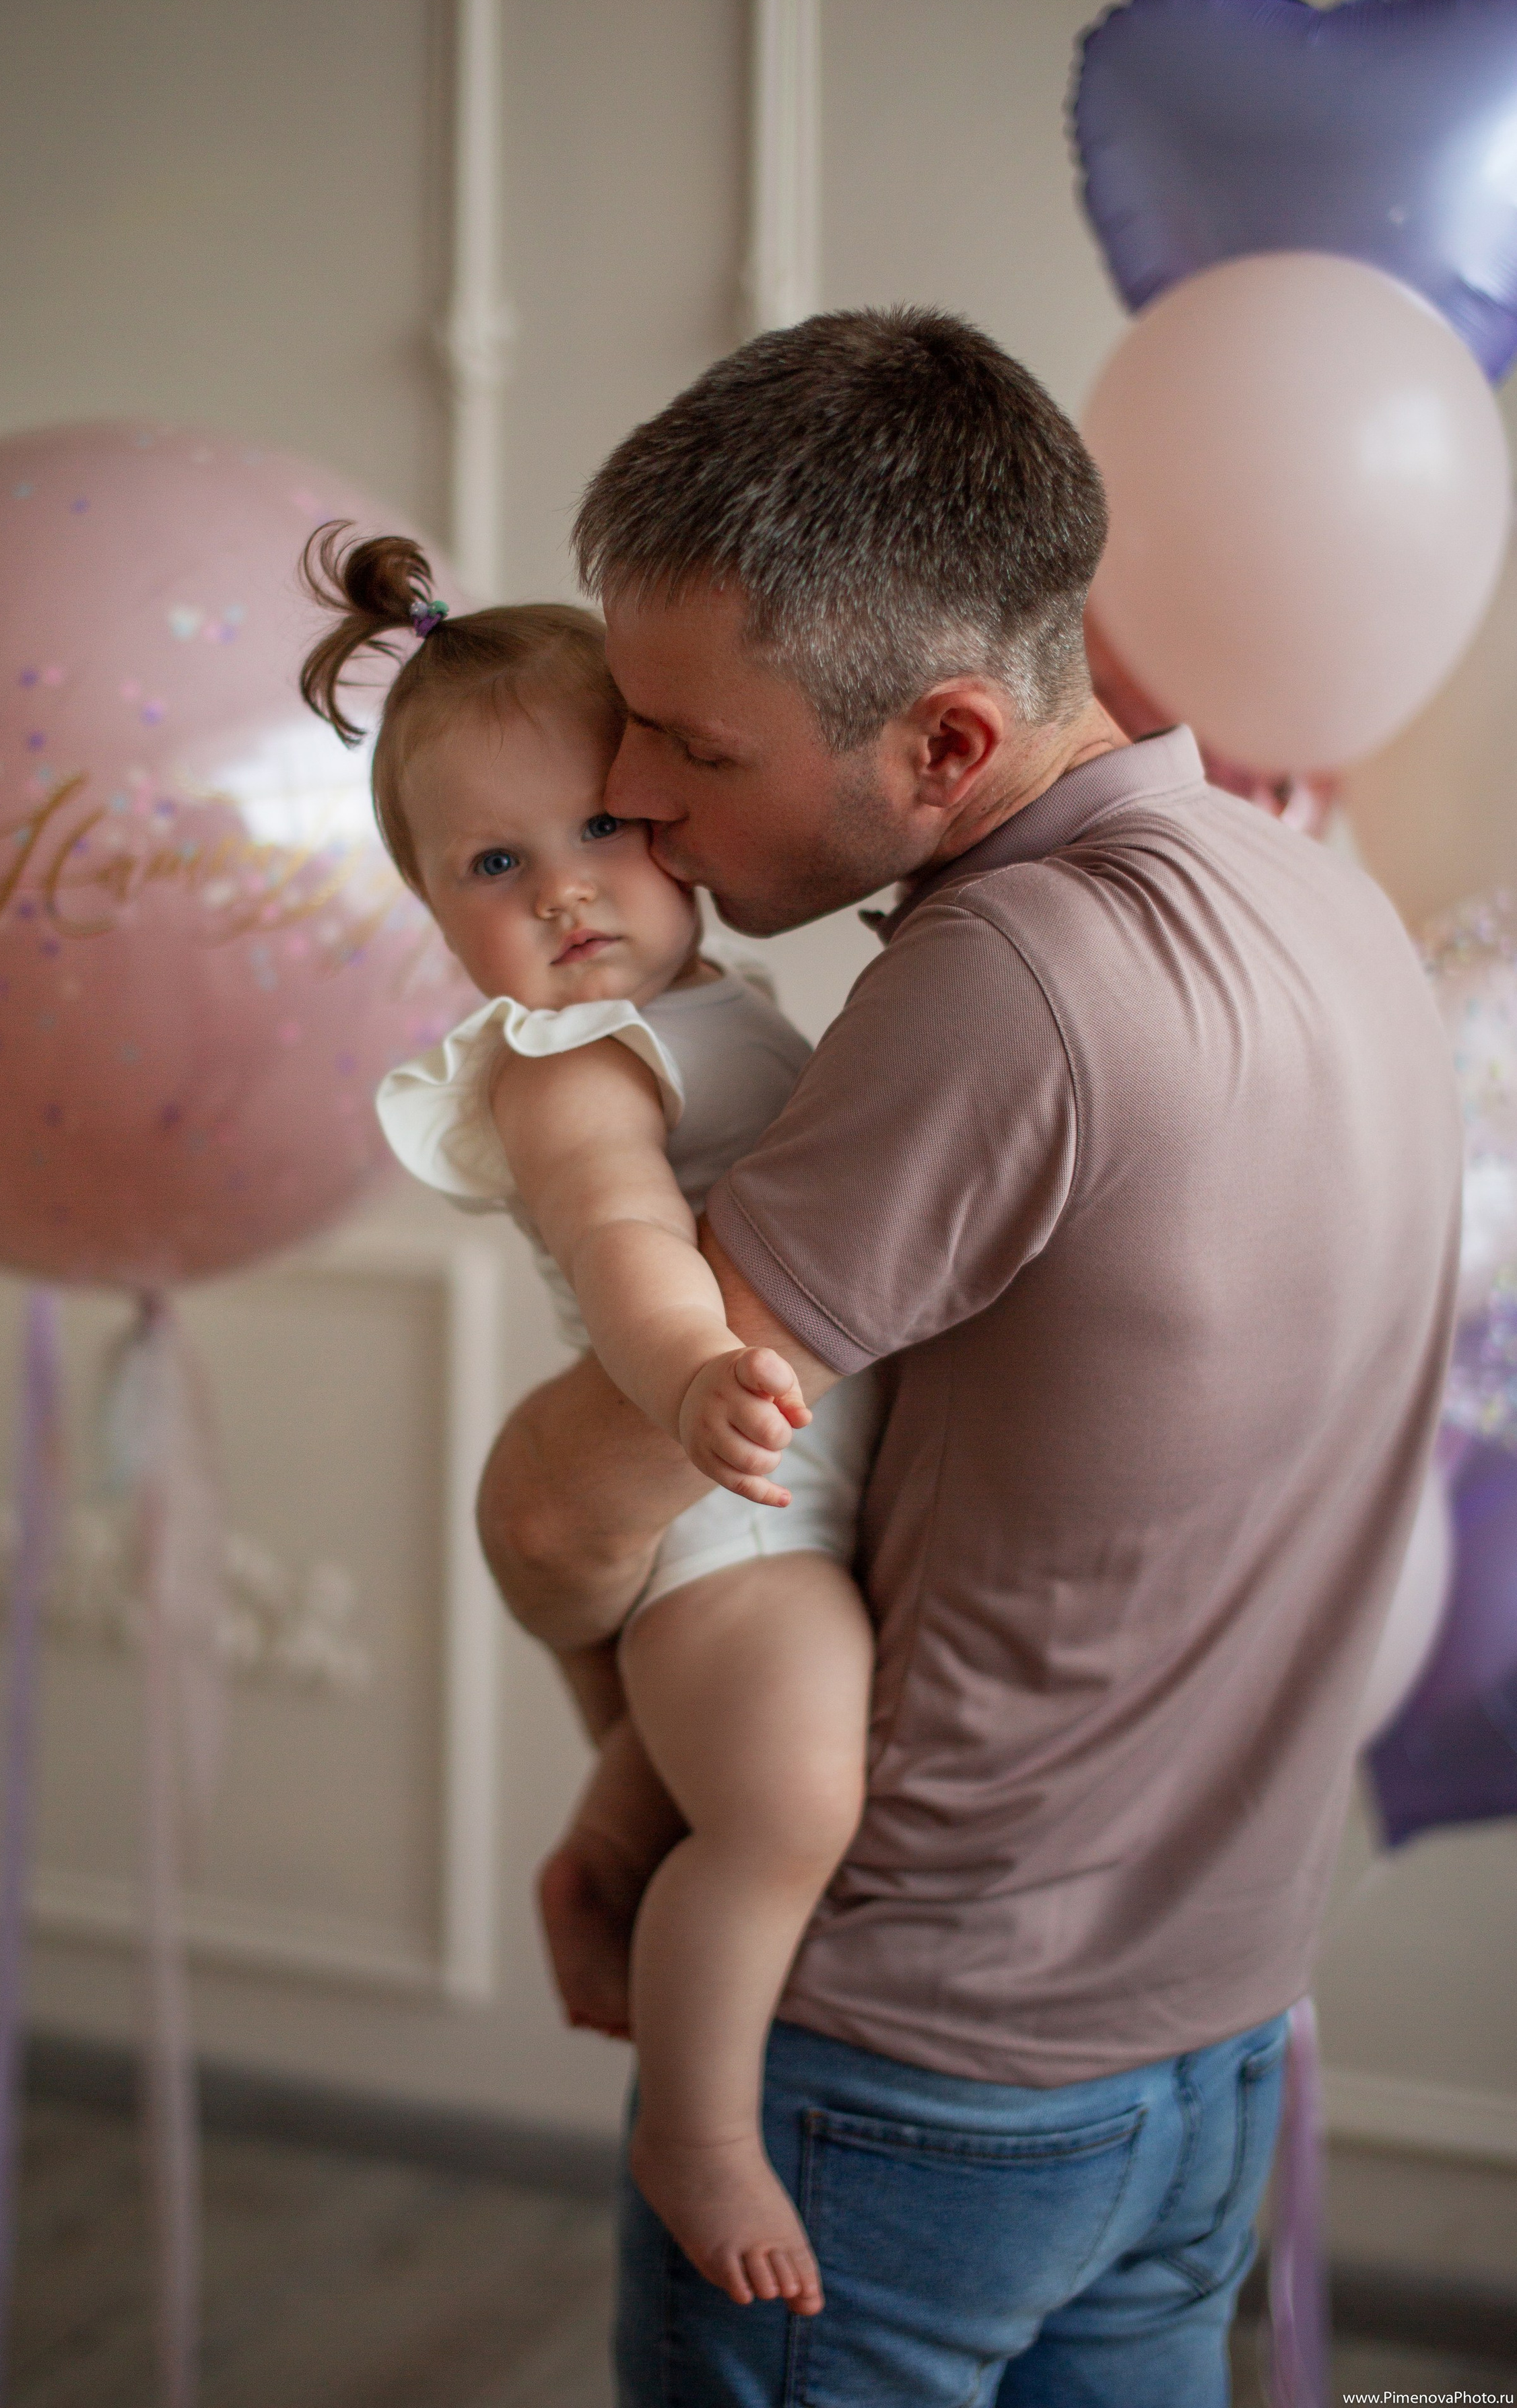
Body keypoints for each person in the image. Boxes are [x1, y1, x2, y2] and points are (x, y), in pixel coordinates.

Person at [477, 306, 1464, 2407]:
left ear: (941, 744)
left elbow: (572, 1504)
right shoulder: (1324, 906)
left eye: (696, 749)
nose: (632, 800)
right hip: (1205, 2068)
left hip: (918, 2089)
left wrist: (623, 1760)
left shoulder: (1012, 978)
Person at [298, 530, 882, 2315]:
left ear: (674, 817)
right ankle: (696, 2130)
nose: (565, 891)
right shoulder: (572, 1068)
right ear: (435, 911)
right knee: (790, 1806)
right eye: (496, 863)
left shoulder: (712, 1005)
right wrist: (698, 1373)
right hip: (736, 1515)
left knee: (708, 1765)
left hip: (806, 1482)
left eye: (602, 830)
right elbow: (629, 1241)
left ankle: (602, 1859)